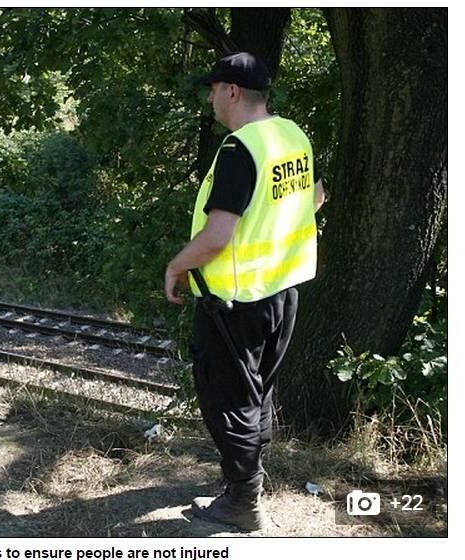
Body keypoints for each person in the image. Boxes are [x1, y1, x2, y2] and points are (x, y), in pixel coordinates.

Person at [164, 53, 326, 531]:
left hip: (235, 300)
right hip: (283, 290)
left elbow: (217, 237)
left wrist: (176, 265)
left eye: (212, 89)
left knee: (227, 398)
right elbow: (314, 196)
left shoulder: (240, 150)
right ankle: (246, 484)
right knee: (257, 393)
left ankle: (242, 504)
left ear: (232, 91)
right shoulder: (292, 135)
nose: (210, 99)